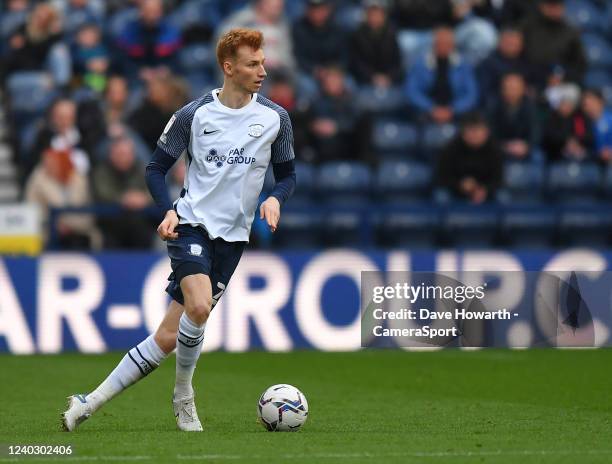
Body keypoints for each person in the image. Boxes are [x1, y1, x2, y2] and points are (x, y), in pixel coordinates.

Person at [62, 28, 296, 432]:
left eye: (262, 62)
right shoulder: (194, 114)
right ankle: (184, 397)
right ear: (229, 67)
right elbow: (155, 169)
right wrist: (168, 211)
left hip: (234, 237)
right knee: (200, 307)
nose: (263, 70)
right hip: (191, 225)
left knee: (168, 336)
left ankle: (89, 401)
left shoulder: (276, 118)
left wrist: (276, 197)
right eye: (252, 63)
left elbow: (288, 175)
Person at [406, 26, 478, 124]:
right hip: (427, 112)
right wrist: (431, 108)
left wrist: (453, 109)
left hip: (456, 112)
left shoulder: (464, 65)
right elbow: (412, 91)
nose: (443, 46)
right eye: (439, 43)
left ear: (453, 45)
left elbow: (471, 94)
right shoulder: (420, 64)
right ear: (433, 45)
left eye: (447, 44)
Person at [436, 112, 503, 204]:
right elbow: (441, 177)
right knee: (441, 196)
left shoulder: (495, 149)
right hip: (455, 191)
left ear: (486, 132)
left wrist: (485, 190)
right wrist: (460, 185)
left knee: (502, 196)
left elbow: (498, 179)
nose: (475, 135)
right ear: (463, 133)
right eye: (471, 130)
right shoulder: (450, 149)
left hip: (486, 191)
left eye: (479, 130)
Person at [520, 0, 586, 91]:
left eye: (557, 5)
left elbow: (580, 65)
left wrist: (564, 78)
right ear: (542, 6)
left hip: (560, 84)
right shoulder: (527, 27)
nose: (554, 10)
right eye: (551, 5)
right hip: (529, 81)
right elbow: (516, 57)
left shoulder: (571, 33)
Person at [349, 0, 402, 87]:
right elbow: (356, 63)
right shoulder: (357, 35)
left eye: (378, 14)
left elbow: (397, 63)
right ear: (366, 16)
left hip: (389, 81)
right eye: (372, 14)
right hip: (364, 81)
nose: (375, 17)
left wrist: (389, 77)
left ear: (384, 16)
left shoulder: (392, 34)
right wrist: (372, 77)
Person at [488, 73, 539, 161]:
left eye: (515, 88)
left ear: (523, 89)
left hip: (524, 147)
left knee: (538, 156)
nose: (512, 92)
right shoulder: (493, 106)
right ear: (502, 89)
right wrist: (504, 146)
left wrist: (526, 146)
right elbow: (489, 132)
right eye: (508, 88)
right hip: (500, 147)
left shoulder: (531, 106)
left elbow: (536, 131)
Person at [582, 89, 612, 164]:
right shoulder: (582, 122)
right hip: (591, 160)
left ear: (601, 102)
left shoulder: (610, 119)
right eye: (585, 105)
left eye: (592, 103)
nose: (589, 108)